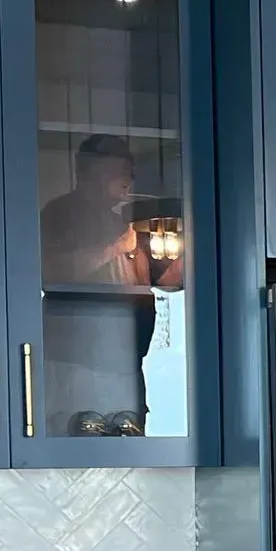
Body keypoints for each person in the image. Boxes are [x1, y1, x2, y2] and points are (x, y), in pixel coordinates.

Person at [38, 133, 182, 433]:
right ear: (88, 174)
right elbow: (51, 272)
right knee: (78, 438)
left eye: (129, 172)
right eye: (116, 172)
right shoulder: (60, 214)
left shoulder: (127, 221)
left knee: (128, 438)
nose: (126, 180)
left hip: (128, 359)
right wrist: (114, 248)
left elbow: (169, 281)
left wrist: (188, 239)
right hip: (77, 359)